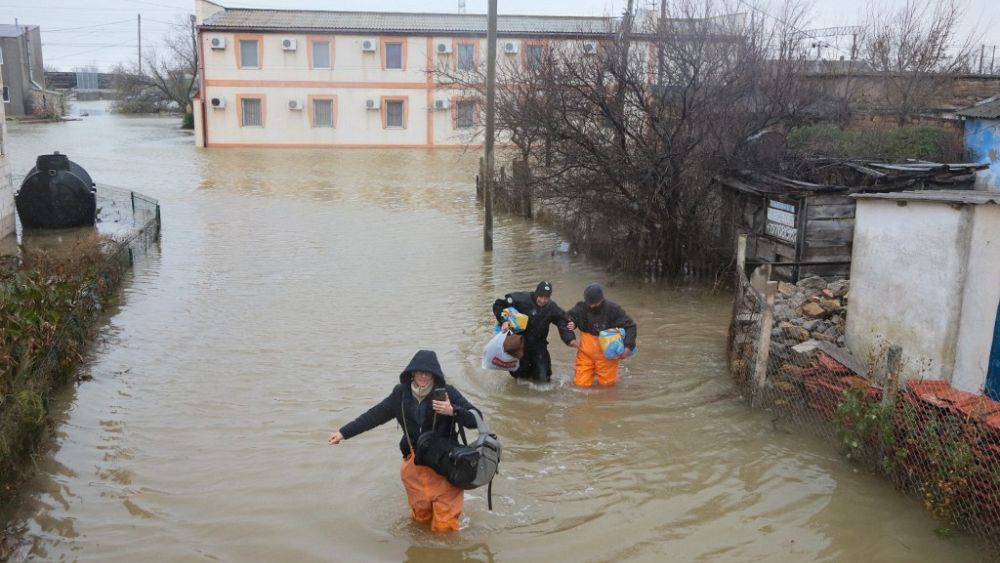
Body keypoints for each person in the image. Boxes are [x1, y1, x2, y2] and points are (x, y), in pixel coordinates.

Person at [327, 350, 481, 533]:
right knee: (420, 520)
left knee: (444, 529)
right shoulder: (400, 394)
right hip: (414, 464)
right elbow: (375, 415)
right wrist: (344, 432)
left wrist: (452, 410)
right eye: (419, 371)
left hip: (446, 465)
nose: (423, 375)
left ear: (435, 374)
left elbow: (476, 419)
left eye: (428, 372)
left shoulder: (448, 393)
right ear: (412, 373)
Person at [491, 280, 575, 383]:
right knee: (520, 377)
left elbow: (564, 321)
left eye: (546, 298)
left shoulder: (551, 308)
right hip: (520, 344)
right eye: (541, 296)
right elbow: (498, 304)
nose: (543, 301)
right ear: (536, 293)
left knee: (544, 379)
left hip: (539, 346)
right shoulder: (521, 299)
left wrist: (570, 338)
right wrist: (504, 321)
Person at [566, 283, 637, 387]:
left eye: (594, 304)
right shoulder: (580, 308)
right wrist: (573, 324)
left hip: (607, 355)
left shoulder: (613, 309)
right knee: (580, 385)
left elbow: (630, 326)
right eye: (589, 303)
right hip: (585, 353)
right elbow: (567, 318)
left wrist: (628, 347)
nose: (591, 306)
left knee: (608, 387)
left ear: (601, 300)